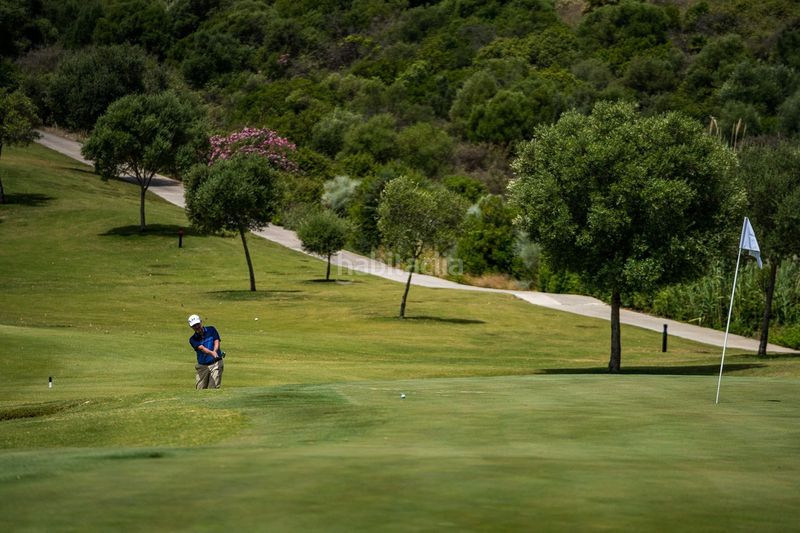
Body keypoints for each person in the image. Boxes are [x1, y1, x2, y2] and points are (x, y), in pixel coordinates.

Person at [188, 314, 224, 389]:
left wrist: (215, 351)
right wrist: (212, 353)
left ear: (201, 322)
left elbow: (216, 341)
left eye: (197, 324)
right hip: (202, 366)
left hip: (216, 363)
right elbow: (202, 348)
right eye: (194, 326)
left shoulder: (211, 329)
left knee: (213, 389)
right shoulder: (192, 339)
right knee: (200, 390)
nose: (197, 327)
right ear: (191, 327)